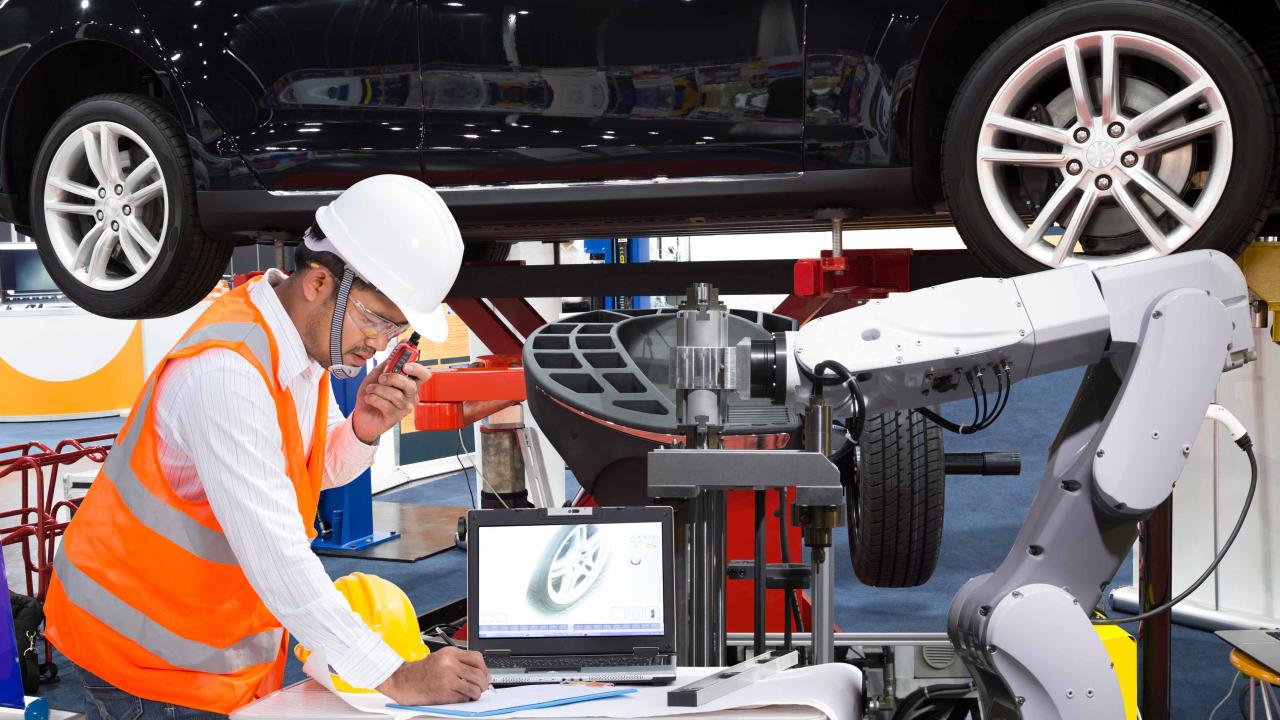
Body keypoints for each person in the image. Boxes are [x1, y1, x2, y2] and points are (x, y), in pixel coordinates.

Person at [44, 175, 491, 719]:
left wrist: (363, 429)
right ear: (320, 283)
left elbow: (311, 473)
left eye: (396, 330)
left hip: (211, 642)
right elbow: (277, 553)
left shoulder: (302, 347)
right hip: (142, 653)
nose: (380, 344)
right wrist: (396, 675)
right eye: (377, 320)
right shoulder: (227, 375)